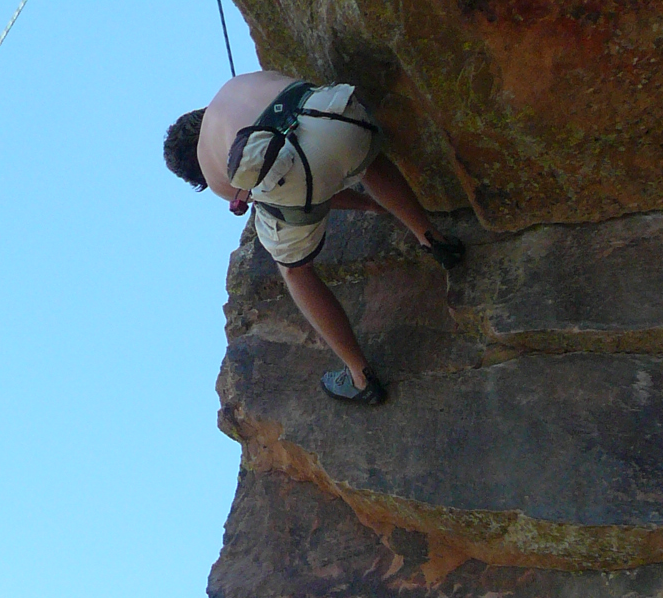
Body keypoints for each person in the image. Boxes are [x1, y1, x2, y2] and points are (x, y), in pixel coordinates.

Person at [164, 70, 463, 406]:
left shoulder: (212, 165)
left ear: (197, 174)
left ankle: (360, 376)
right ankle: (433, 238)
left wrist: (364, 205)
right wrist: (368, 199)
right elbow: (316, 149)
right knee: (364, 158)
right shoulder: (237, 84)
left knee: (294, 270)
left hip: (293, 176)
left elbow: (306, 193)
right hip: (338, 117)